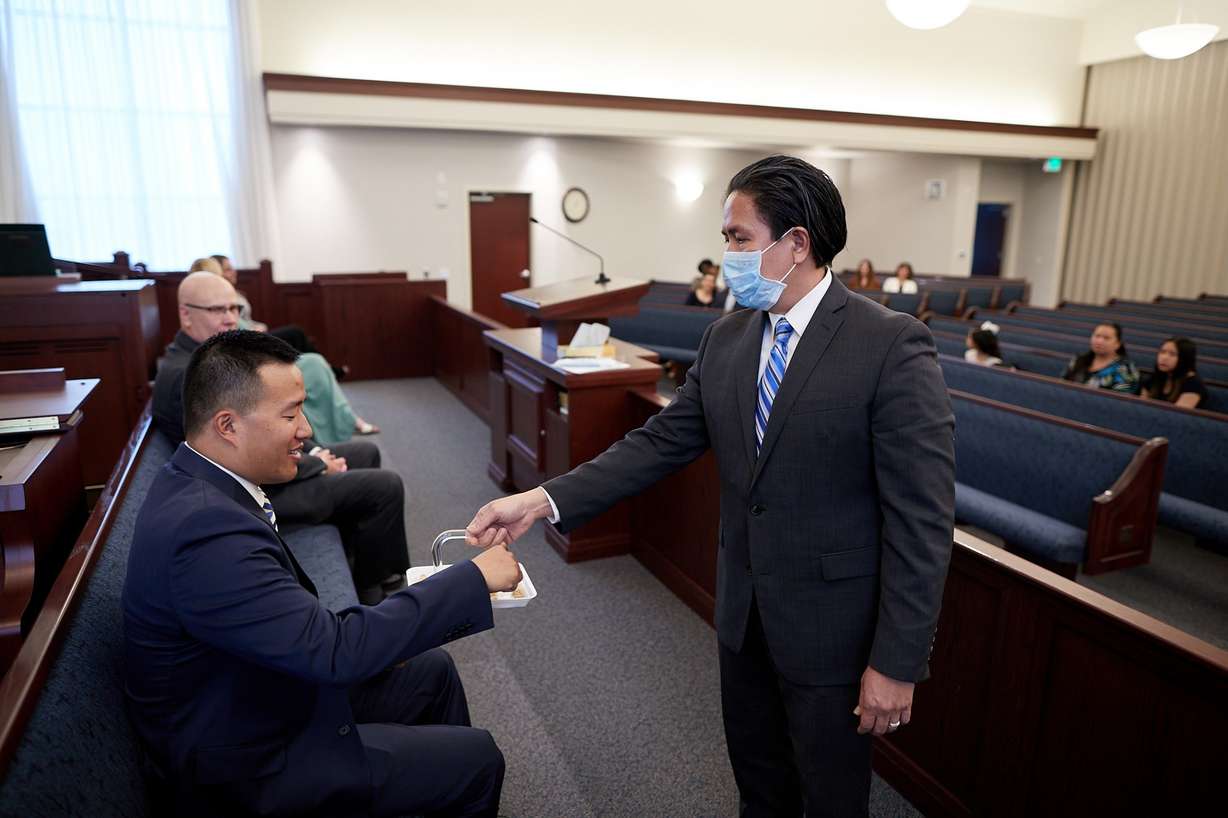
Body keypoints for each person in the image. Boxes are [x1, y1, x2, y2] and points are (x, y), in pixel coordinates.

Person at [465, 155, 955, 818]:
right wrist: (542, 499)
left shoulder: (891, 345)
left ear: (797, 243)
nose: (726, 253)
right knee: (759, 784)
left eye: (738, 239)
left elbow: (922, 521)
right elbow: (657, 445)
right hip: (743, 616)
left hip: (831, 631)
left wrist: (897, 662)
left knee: (832, 797)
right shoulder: (727, 339)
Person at [125, 329, 517, 817]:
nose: (306, 428)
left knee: (429, 672)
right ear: (227, 425)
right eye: (289, 414)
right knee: (476, 758)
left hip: (256, 691)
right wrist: (473, 579)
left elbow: (295, 629)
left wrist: (386, 638)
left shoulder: (202, 485)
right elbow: (331, 652)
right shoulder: (204, 530)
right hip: (245, 766)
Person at [152, 272, 401, 603]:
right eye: (216, 310)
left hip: (256, 470)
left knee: (366, 453)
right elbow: (234, 455)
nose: (229, 318)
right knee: (384, 486)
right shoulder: (187, 376)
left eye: (233, 307)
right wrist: (314, 463)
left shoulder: (210, 358)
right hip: (253, 491)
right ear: (186, 313)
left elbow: (270, 423)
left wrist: (315, 454)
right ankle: (375, 592)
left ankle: (364, 568)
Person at [209, 254, 376, 435]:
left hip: (252, 342)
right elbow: (234, 332)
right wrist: (253, 331)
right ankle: (347, 412)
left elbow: (243, 323)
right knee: (302, 344)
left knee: (312, 357)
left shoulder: (234, 295)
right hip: (249, 355)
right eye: (227, 268)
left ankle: (348, 414)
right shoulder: (220, 302)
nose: (233, 271)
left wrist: (255, 326)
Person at [1061, 322, 1140, 393]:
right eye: (1097, 336)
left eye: (1106, 338)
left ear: (1118, 344)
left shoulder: (1125, 369)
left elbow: (1119, 402)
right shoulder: (1079, 359)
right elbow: (1063, 384)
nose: (1099, 341)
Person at [1141, 337, 1207, 409]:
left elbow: (1176, 417)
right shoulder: (1155, 378)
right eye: (1162, 352)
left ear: (1185, 359)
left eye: (1173, 354)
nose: (1164, 357)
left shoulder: (1193, 385)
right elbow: (1141, 407)